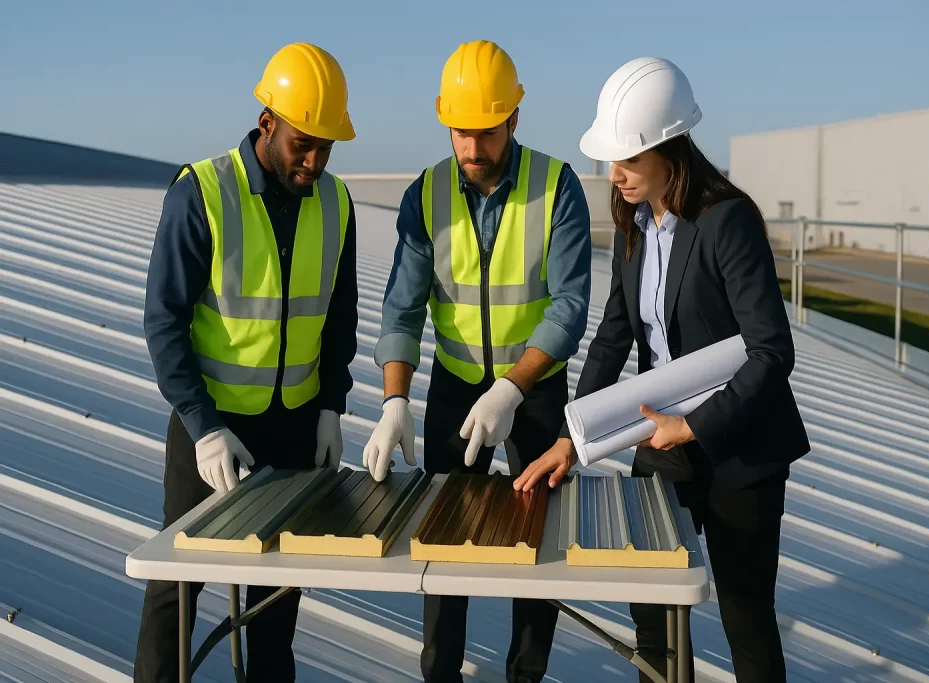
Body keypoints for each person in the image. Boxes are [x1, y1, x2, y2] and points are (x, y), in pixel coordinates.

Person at [514, 57, 810, 683]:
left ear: (670, 151)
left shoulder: (727, 220)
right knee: (651, 610)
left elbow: (771, 352)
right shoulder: (633, 220)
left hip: (740, 447)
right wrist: (574, 434)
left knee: (746, 620)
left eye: (628, 160)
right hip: (664, 445)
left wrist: (697, 425)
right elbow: (616, 333)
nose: (613, 174)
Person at [362, 39, 592, 683]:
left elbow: (572, 303)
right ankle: (440, 672)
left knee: (540, 542)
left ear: (514, 120)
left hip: (537, 392)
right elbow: (401, 311)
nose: (471, 148)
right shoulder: (426, 194)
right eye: (460, 131)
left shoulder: (557, 187)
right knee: (442, 538)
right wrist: (393, 402)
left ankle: (526, 674)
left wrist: (514, 387)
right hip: (457, 390)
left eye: (486, 132)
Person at [134, 42, 359, 683]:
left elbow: (338, 320)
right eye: (301, 145)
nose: (313, 161)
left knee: (274, 605)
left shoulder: (336, 204)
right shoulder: (201, 193)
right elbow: (164, 322)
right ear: (268, 124)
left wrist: (330, 407)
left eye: (325, 148)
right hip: (211, 432)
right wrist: (201, 425)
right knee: (176, 591)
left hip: (293, 431)